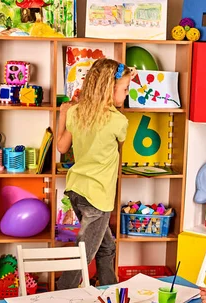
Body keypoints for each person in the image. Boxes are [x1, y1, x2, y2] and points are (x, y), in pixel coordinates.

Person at [56, 58, 133, 289]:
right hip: (98, 197)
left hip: (77, 191)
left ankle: (109, 292)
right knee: (83, 256)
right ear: (110, 89)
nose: (127, 94)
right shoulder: (118, 121)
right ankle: (60, 297)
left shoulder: (75, 112)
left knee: (107, 247)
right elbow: (119, 140)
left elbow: (61, 147)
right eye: (125, 89)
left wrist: (63, 114)